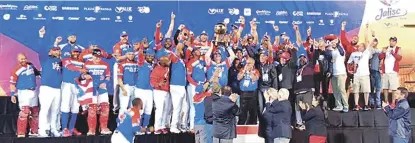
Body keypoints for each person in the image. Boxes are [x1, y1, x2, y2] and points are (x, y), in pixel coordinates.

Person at [37, 27, 63, 137]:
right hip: (46, 88)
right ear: (50, 51)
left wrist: (57, 43)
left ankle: (54, 129)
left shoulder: (61, 61)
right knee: (45, 110)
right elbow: (41, 47)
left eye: (58, 50)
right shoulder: (45, 58)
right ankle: (42, 130)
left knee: (55, 110)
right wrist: (41, 36)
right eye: (54, 50)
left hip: (57, 88)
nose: (56, 51)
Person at [10, 53, 41, 137]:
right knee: (24, 111)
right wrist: (12, 94)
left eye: (24, 58)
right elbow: (12, 83)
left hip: (33, 91)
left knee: (34, 111)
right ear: (18, 59)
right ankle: (21, 132)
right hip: (23, 92)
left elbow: (38, 73)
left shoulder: (31, 66)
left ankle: (34, 131)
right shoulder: (16, 70)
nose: (23, 60)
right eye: (21, 59)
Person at [84, 49, 112, 135]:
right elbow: (82, 75)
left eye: (99, 57)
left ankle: (103, 128)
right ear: (92, 55)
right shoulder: (87, 64)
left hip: (102, 88)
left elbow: (108, 77)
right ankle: (91, 130)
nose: (98, 59)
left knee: (105, 107)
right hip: (91, 88)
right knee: (92, 108)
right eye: (96, 57)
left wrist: (105, 83)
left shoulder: (105, 64)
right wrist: (85, 75)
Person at [61, 48, 85, 137]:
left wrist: (84, 76)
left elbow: (82, 75)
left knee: (75, 107)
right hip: (67, 84)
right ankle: (64, 129)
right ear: (70, 52)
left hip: (77, 85)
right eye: (74, 52)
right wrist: (80, 70)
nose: (76, 53)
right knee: (65, 106)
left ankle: (71, 128)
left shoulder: (82, 62)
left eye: (77, 52)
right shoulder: (66, 59)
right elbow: (70, 67)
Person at [135, 47, 156, 134]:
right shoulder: (141, 62)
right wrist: (142, 47)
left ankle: (144, 127)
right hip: (140, 89)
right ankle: (137, 128)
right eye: (149, 56)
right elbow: (140, 55)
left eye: (152, 56)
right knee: (140, 110)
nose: (150, 57)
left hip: (149, 90)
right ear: (145, 56)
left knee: (148, 109)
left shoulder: (153, 65)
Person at [112, 31, 133, 113]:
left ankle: (127, 105)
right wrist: (127, 56)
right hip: (118, 65)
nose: (124, 37)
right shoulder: (117, 46)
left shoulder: (130, 45)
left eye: (126, 36)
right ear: (120, 37)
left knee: (125, 85)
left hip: (127, 66)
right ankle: (116, 107)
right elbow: (117, 58)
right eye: (123, 36)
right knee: (117, 86)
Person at [169, 43, 188, 133]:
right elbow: (176, 50)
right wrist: (180, 44)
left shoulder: (182, 60)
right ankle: (173, 126)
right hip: (175, 85)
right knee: (176, 107)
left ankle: (179, 125)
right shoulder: (175, 58)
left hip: (182, 86)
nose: (182, 50)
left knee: (183, 108)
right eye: (181, 49)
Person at [150, 56, 171, 134]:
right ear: (161, 61)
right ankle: (157, 127)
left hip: (167, 91)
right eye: (166, 60)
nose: (168, 62)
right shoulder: (156, 69)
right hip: (158, 91)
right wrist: (158, 84)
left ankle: (163, 126)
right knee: (160, 109)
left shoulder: (168, 68)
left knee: (166, 109)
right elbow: (152, 81)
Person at [327, 36, 349, 112]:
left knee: (342, 90)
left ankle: (346, 105)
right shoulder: (331, 51)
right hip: (334, 74)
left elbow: (342, 53)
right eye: (331, 42)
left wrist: (337, 44)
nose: (333, 44)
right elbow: (328, 57)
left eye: (334, 42)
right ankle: (339, 105)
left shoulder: (341, 50)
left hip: (341, 73)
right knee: (335, 90)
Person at [379, 36, 402, 107]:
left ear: (395, 42)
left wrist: (393, 53)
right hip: (385, 71)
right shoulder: (385, 48)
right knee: (385, 87)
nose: (391, 42)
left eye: (393, 41)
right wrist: (383, 53)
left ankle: (393, 102)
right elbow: (380, 57)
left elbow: (399, 58)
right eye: (391, 41)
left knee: (393, 88)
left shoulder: (398, 48)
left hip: (393, 71)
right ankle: (386, 101)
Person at [237, 57, 260, 125]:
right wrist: (244, 71)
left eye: (249, 63)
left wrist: (250, 72)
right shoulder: (242, 70)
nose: (247, 64)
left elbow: (255, 79)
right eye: (246, 63)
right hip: (243, 93)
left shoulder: (256, 71)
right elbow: (238, 78)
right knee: (242, 111)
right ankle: (241, 124)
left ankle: (252, 124)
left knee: (253, 110)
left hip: (252, 93)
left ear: (253, 64)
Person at [117, 48, 138, 118]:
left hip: (135, 87)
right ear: (126, 55)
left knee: (132, 108)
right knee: (123, 107)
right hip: (126, 87)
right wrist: (123, 89)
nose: (131, 56)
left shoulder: (137, 64)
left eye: (132, 54)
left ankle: (131, 125)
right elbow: (119, 78)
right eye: (129, 54)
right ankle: (120, 125)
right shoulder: (122, 64)